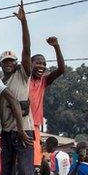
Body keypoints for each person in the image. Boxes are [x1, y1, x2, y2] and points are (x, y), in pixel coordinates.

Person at [0, 1, 36, 175]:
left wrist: (24, 22)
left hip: (25, 131)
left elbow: (27, 51)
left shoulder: (23, 74)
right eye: (6, 61)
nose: (9, 64)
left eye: (12, 61)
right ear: (1, 64)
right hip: (6, 132)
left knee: (25, 173)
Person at [28, 36, 65, 167]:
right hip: (20, 123)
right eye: (38, 63)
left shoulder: (43, 81)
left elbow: (61, 70)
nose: (41, 66)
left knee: (35, 161)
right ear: (30, 64)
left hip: (35, 125)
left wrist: (56, 47)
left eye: (44, 64)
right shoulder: (24, 79)